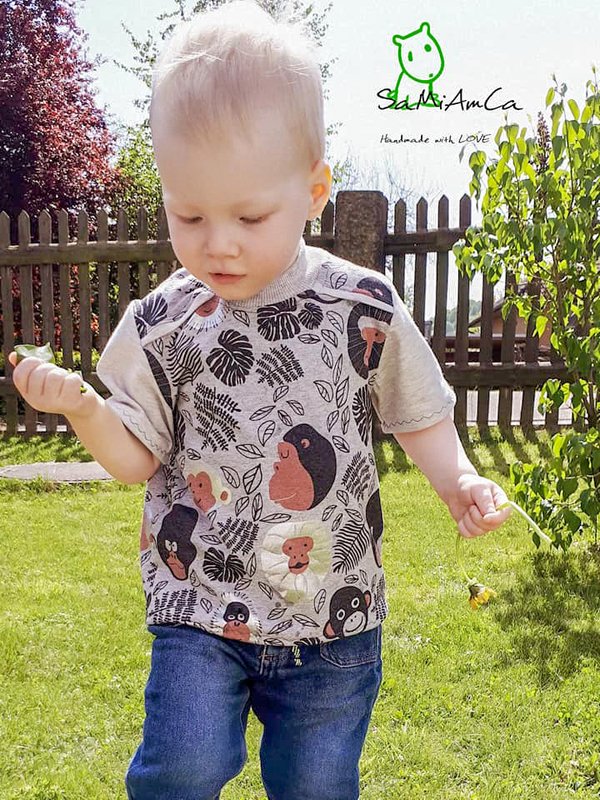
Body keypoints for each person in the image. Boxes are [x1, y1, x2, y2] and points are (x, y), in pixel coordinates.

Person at [8, 1, 512, 797]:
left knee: (316, 785)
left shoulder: (362, 306)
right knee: (182, 768)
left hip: (334, 609)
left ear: (314, 190)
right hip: (199, 605)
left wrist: (457, 480)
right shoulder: (163, 323)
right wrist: (86, 410)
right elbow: (137, 460)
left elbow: (418, 408)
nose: (219, 242)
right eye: (189, 214)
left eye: (250, 215)